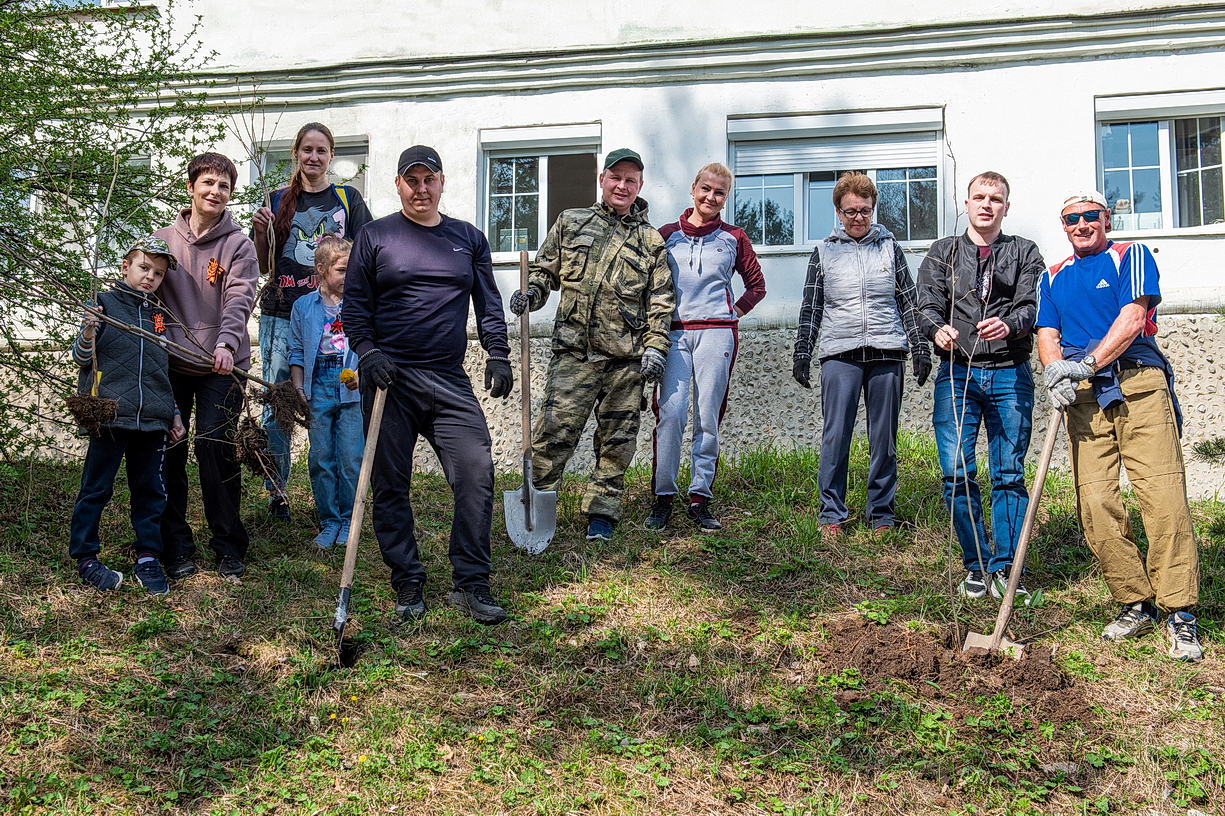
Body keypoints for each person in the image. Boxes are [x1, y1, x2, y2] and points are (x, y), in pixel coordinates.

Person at [344, 145, 513, 625]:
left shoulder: (468, 239)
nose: (421, 188)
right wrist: (368, 352)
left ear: (441, 183)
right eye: (411, 180)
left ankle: (471, 583)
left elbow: (489, 303)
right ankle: (408, 583)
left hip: (447, 377)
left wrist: (497, 352)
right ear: (397, 184)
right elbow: (354, 306)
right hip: (388, 380)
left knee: (476, 471)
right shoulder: (375, 236)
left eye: (429, 179)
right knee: (390, 484)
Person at [1037, 190, 1202, 661]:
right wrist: (1054, 373)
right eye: (1072, 218)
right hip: (1083, 398)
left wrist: (1086, 363)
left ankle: (1180, 612)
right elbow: (1047, 333)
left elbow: (1133, 319)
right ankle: (1135, 601)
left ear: (1106, 219)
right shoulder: (1052, 276)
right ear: (1064, 225)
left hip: (1136, 383)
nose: (1082, 224)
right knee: (1095, 501)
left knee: (1162, 495)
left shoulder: (1131, 256)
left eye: (1091, 215)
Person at [509, 148, 675, 541]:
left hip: (626, 361)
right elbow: (544, 272)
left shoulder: (651, 241)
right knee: (552, 434)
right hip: (574, 354)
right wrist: (530, 294)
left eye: (630, 180)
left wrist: (655, 347)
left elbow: (661, 300)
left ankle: (602, 513)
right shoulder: (572, 222)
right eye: (615, 177)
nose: (622, 185)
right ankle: (536, 504)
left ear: (640, 186)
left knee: (616, 442)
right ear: (602, 179)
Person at [916, 172, 1045, 602]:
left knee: (1008, 473)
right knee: (956, 472)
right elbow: (926, 306)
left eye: (996, 198)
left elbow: (1033, 306)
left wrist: (1008, 325)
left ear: (1007, 206)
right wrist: (936, 330)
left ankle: (1005, 568)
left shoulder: (1025, 251)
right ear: (965, 203)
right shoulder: (943, 252)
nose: (986, 204)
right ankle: (976, 565)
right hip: (957, 373)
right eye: (979, 197)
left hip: (1011, 371)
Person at [792, 171, 931, 536]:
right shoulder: (823, 251)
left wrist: (920, 347)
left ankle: (881, 514)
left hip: (887, 351)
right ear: (838, 211)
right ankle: (831, 514)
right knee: (836, 435)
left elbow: (909, 302)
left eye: (865, 210)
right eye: (851, 211)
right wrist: (802, 352)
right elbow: (812, 307)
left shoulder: (889, 247)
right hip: (841, 353)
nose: (859, 217)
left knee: (884, 439)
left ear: (874, 210)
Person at [251, 122, 373, 522]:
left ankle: (344, 496)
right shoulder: (277, 198)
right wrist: (259, 232)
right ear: (296, 154)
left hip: (336, 314)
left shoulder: (347, 198)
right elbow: (264, 260)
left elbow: (368, 252)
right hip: (283, 312)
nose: (314, 157)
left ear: (331, 156)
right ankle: (277, 494)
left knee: (340, 400)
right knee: (280, 400)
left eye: (322, 150)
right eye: (307, 150)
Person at [154, 152, 259, 580]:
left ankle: (228, 544)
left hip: (222, 363)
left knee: (213, 449)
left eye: (224, 186)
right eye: (208, 183)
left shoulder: (239, 244)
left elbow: (239, 299)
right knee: (168, 451)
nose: (215, 191)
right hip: (171, 362)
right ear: (191, 187)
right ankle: (175, 545)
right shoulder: (162, 240)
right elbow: (151, 300)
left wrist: (226, 344)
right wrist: (160, 339)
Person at [646, 163, 765, 532]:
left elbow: (757, 286)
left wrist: (733, 312)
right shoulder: (665, 235)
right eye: (706, 189)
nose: (711, 198)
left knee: (707, 415)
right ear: (692, 188)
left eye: (720, 193)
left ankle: (700, 497)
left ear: (725, 198)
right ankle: (663, 497)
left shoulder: (734, 237)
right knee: (671, 413)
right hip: (675, 334)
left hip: (717, 333)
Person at [68, 237, 186, 594]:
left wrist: (175, 413)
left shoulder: (159, 317)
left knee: (150, 489)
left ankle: (148, 556)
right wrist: (90, 328)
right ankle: (86, 557)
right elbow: (81, 357)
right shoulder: (103, 304)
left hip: (152, 419)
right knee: (96, 487)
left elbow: (162, 370)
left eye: (158, 273)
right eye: (144, 268)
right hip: (110, 415)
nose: (150, 277)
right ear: (125, 267)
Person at [288, 234, 362, 550]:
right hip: (317, 382)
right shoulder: (304, 307)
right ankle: (329, 521)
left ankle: (349, 520)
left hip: (351, 386)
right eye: (342, 270)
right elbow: (295, 350)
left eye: (352, 270)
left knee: (349, 457)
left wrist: (361, 373)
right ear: (321, 269)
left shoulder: (360, 304)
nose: (349, 277)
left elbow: (373, 343)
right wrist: (298, 387)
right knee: (321, 457)